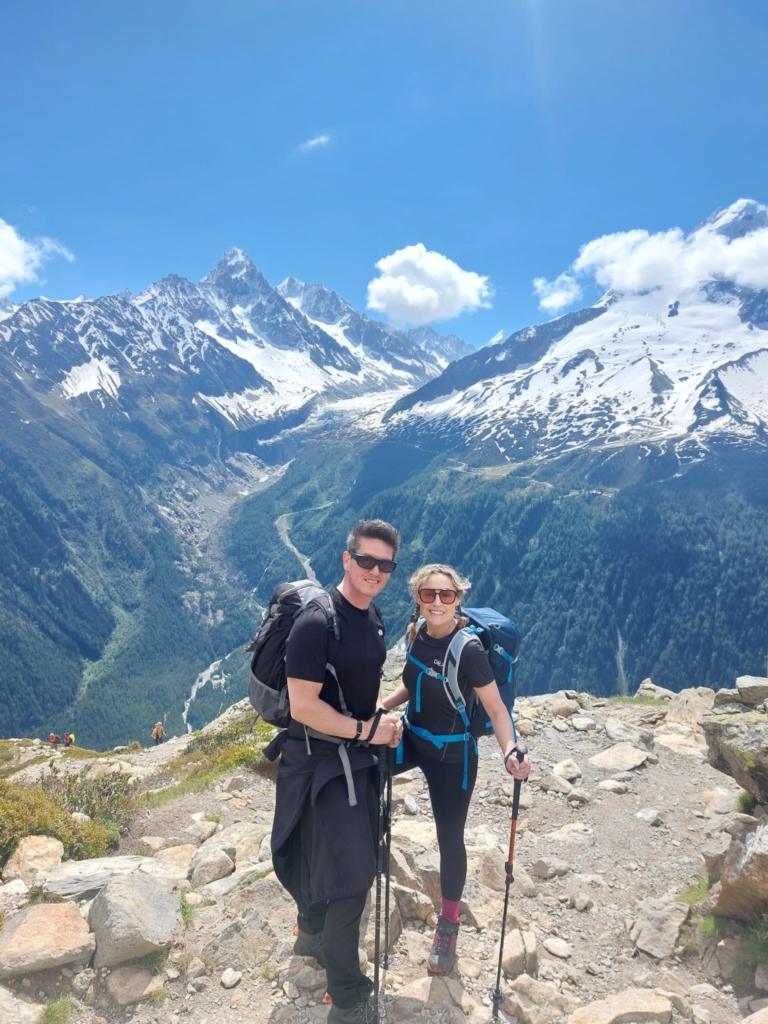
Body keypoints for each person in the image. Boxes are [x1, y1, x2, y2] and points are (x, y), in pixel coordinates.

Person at [265, 519, 404, 1024]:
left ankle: (309, 935)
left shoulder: (374, 616)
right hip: (320, 762)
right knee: (352, 880)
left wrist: (377, 720)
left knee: (321, 848)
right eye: (365, 560)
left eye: (385, 565)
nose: (374, 571)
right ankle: (347, 1001)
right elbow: (303, 706)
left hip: (352, 759)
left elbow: (359, 688)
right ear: (346, 559)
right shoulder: (317, 622)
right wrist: (367, 732)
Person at [380, 563, 532, 976]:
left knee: (450, 840)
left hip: (453, 759)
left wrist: (510, 750)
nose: (436, 602)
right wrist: (382, 709)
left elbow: (498, 710)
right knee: (363, 765)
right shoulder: (417, 633)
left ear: (458, 599)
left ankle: (448, 926)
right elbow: (412, 684)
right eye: (428, 595)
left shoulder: (468, 649)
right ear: (418, 598)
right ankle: (364, 856)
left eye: (446, 595)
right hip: (414, 739)